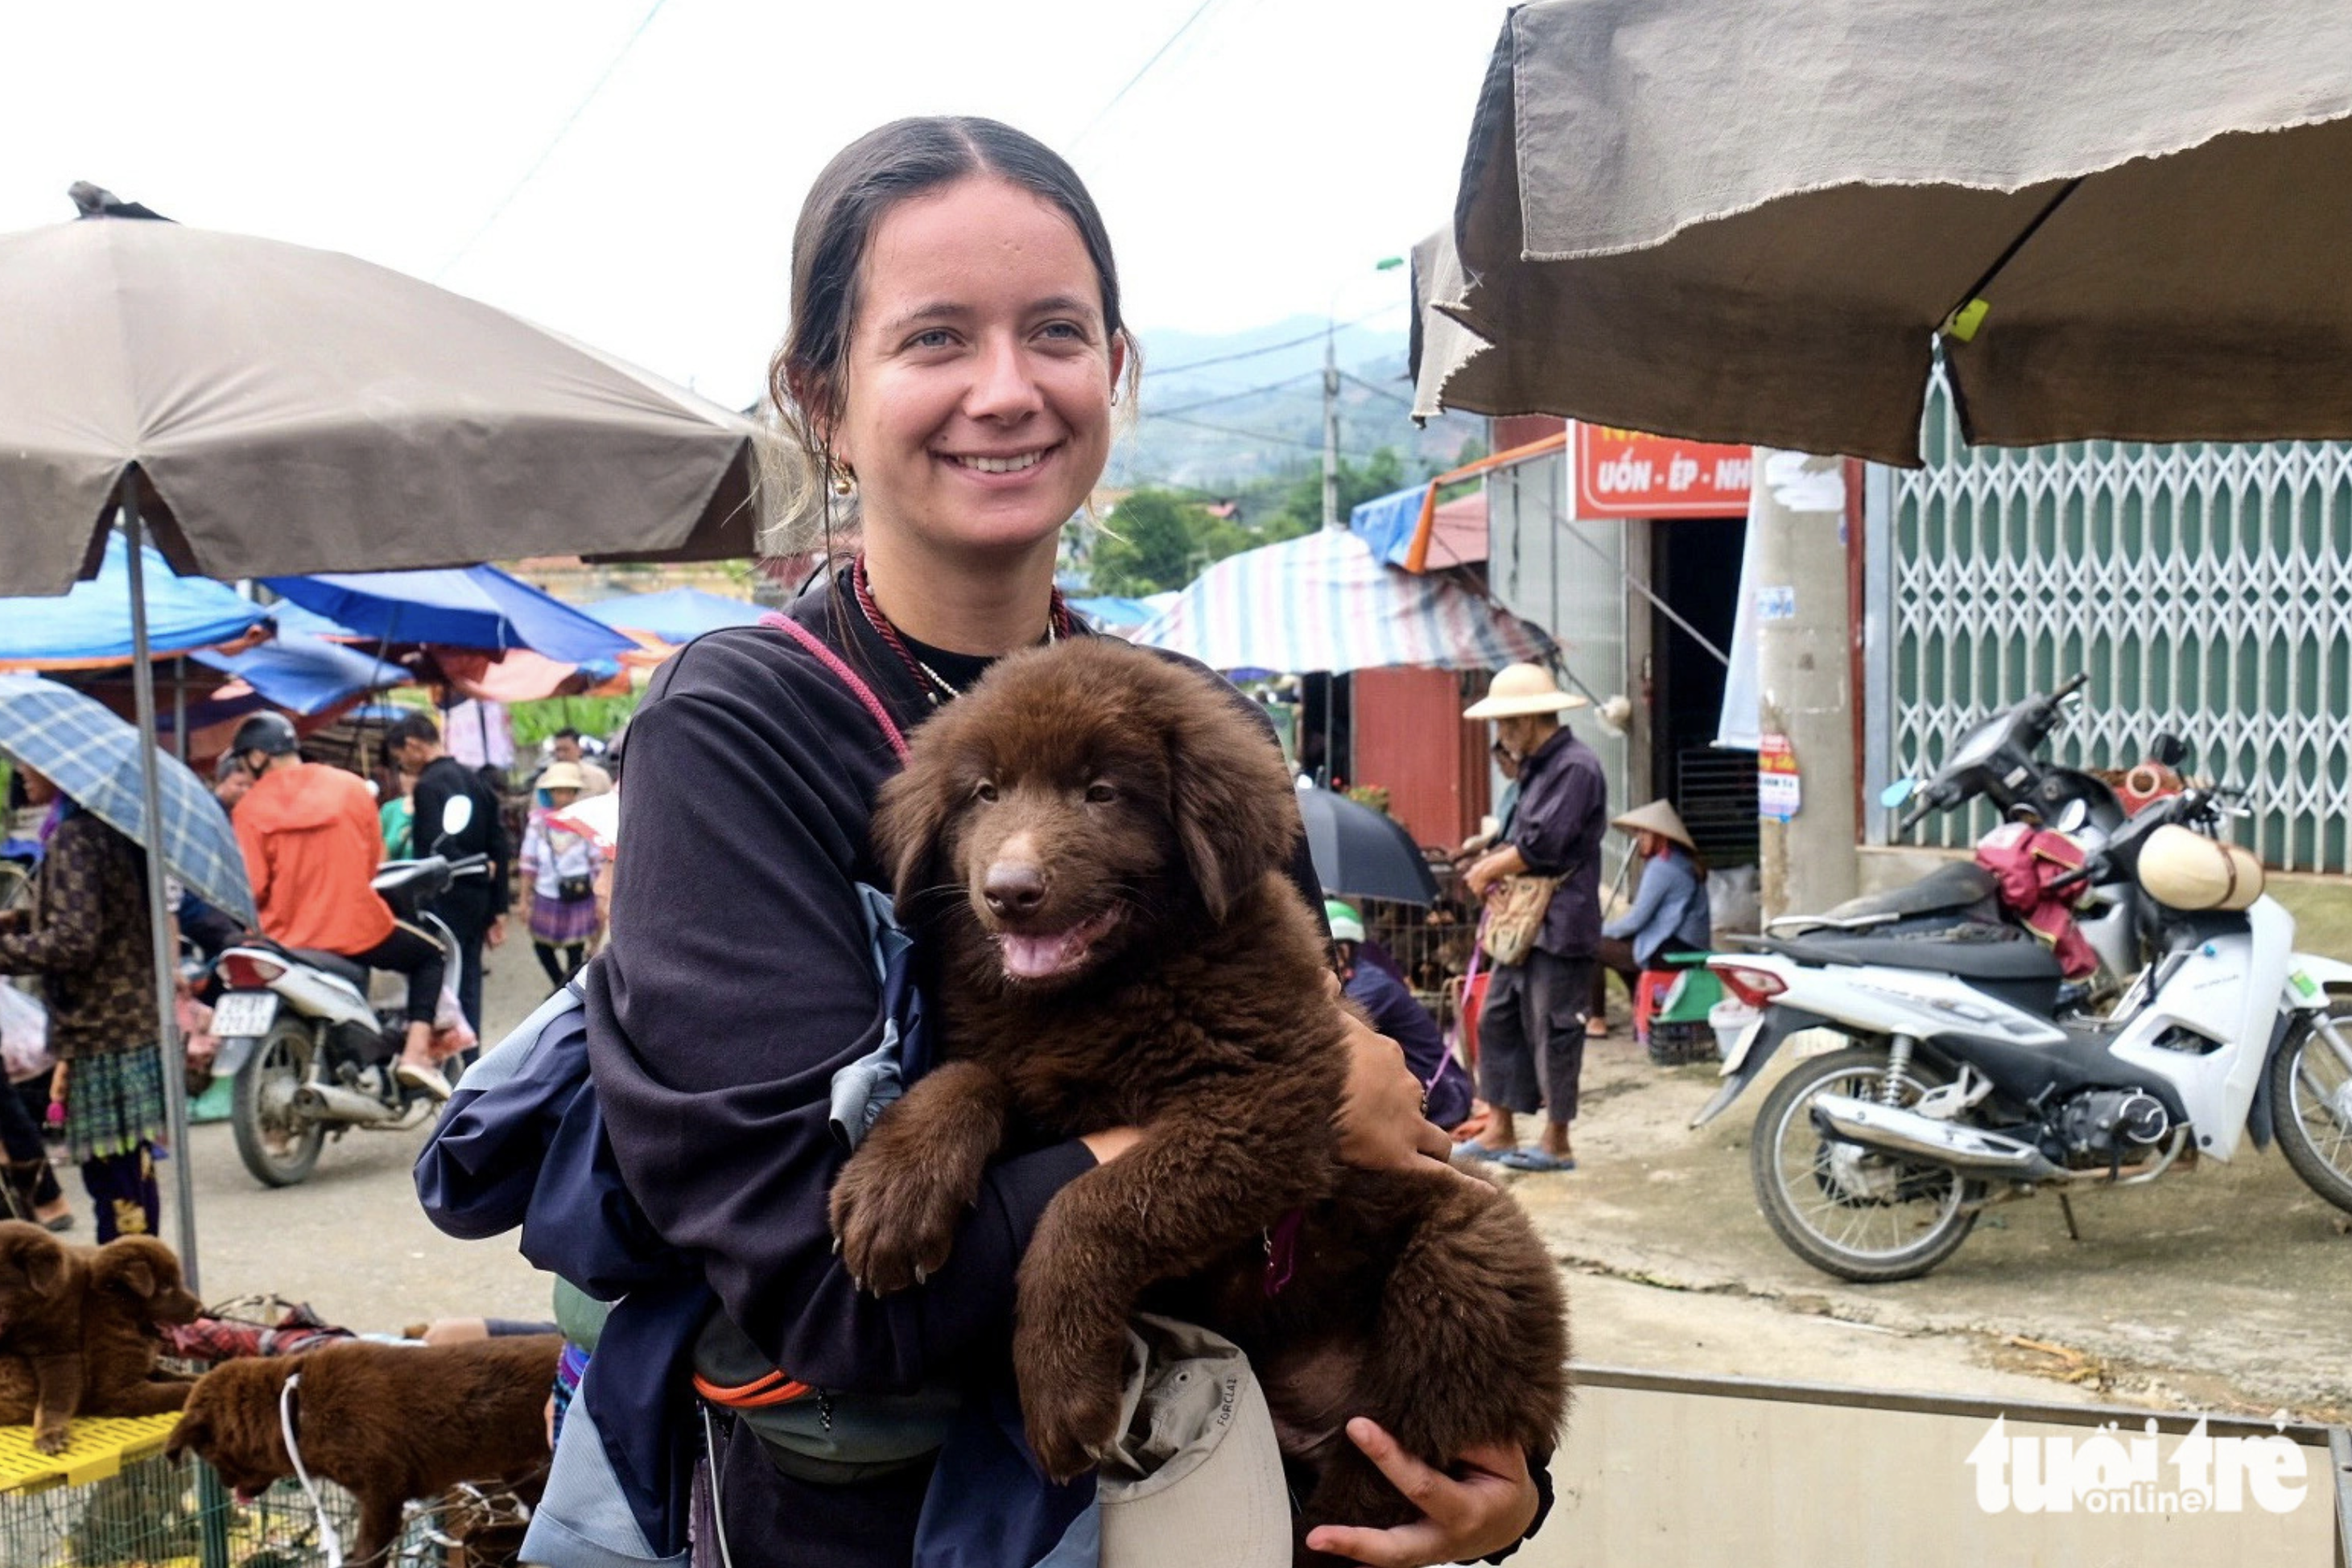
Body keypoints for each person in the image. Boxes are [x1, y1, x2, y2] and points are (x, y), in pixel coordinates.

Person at [582, 118, 1545, 1568]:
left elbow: (1361, 1130)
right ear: (820, 399)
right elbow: (837, 1293)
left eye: (1054, 332)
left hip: (1225, 1494)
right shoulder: (738, 729)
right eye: (932, 340)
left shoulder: (1186, 722)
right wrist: (1239, 1122)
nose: (1006, 390)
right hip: (878, 1529)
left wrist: (1503, 1480)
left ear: (1115, 367)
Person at [229, 712, 452, 1101]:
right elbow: (371, 866)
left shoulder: (250, 808)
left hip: (286, 937)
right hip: (357, 929)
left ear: (260, 756)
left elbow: (254, 886)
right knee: (430, 956)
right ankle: (415, 1055)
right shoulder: (351, 788)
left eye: (245, 758)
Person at [0, 762, 165, 1240]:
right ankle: (137, 1273)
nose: (21, 772)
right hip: (127, 1020)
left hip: (102, 1029)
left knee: (113, 1174)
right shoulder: (109, 828)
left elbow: (74, 940)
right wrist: (16, 921)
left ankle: (127, 1283)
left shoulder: (74, 837)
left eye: (31, 764)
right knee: (129, 1169)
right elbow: (92, 912)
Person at [1458, 665, 1607, 1174]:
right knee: (1496, 1018)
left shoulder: (1576, 767)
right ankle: (1500, 1128)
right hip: (1523, 924)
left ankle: (1556, 1140)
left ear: (1527, 720)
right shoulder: (1539, 767)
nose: (1501, 736)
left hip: (1561, 922)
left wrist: (1490, 867)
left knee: (1555, 1028)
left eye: (1505, 724)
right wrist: (1489, 852)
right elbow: (1520, 834)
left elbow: (1544, 842)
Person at [384, 712, 511, 1039]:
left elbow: (431, 857)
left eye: (401, 759)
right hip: (479, 901)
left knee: (444, 982)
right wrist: (499, 909)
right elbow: (499, 844)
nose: (404, 767)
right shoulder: (475, 780)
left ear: (413, 746)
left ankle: (453, 1057)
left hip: (444, 903)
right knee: (469, 981)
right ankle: (472, 1055)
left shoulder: (428, 786)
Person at [1327, 900, 1473, 1133]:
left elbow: (1327, 1029)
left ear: (1342, 952)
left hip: (1445, 1092)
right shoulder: (1357, 979)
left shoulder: (1372, 987)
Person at [1593, 800, 1713, 1031]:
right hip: (1684, 946)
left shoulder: (1663, 868)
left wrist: (1599, 930)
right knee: (1617, 948)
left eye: (1643, 833)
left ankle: (1596, 1020)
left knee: (1592, 946)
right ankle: (1638, 1004)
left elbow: (1637, 920)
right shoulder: (1679, 861)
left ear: (1661, 836)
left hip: (1674, 949)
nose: (1639, 838)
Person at [518, 763, 601, 987]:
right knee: (541, 946)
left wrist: (600, 899)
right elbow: (529, 863)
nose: (563, 796)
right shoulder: (538, 823)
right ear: (550, 793)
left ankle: (567, 989)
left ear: (575, 793)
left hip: (579, 893)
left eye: (568, 791)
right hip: (547, 894)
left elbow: (596, 862)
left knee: (575, 949)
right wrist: (524, 900)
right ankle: (560, 985)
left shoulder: (584, 822)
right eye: (558, 790)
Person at [548, 729, 613, 798]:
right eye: (558, 750)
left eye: (566, 750)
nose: (561, 755)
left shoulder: (599, 777)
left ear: (579, 750)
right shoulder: (546, 779)